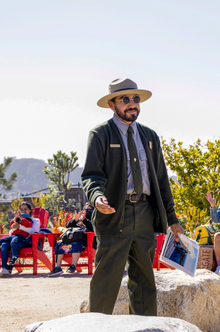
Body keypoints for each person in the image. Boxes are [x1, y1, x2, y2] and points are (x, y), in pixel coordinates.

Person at [81, 78, 184, 315]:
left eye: (135, 99)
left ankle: (145, 329)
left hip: (146, 214)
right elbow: (91, 176)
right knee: (106, 280)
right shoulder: (100, 134)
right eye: (125, 99)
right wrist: (97, 198)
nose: (132, 104)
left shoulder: (150, 136)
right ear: (111, 104)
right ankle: (97, 329)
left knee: (145, 281)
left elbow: (161, 181)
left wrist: (173, 220)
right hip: (114, 215)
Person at [0, 202, 39, 277]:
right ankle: (4, 267)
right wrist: (14, 223)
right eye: (21, 209)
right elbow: (11, 231)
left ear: (30, 210)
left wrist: (19, 226)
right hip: (14, 238)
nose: (23, 211)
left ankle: (10, 267)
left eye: (25, 209)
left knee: (15, 243)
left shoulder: (34, 220)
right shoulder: (18, 220)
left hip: (25, 241)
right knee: (4, 244)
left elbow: (33, 231)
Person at [49, 204, 95, 277]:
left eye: (90, 210)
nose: (87, 212)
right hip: (70, 242)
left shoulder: (94, 220)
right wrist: (75, 220)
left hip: (84, 241)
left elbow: (94, 228)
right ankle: (58, 267)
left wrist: (85, 221)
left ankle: (73, 266)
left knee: (77, 243)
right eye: (86, 210)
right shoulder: (79, 218)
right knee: (59, 244)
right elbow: (67, 226)